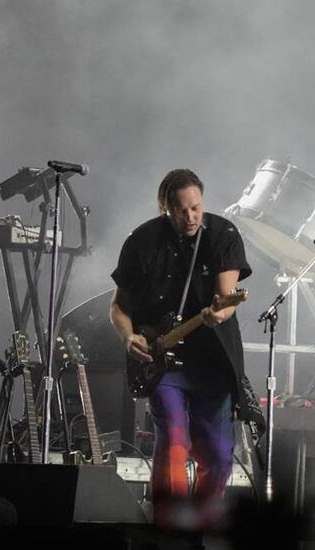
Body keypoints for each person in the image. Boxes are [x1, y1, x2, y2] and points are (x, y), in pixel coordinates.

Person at [110, 168, 252, 529]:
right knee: (173, 442)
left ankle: (201, 529)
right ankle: (169, 528)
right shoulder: (141, 242)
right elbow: (119, 305)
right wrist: (129, 337)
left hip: (212, 362)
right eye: (182, 210)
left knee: (219, 455)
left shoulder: (223, 235)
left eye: (196, 208)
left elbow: (227, 299)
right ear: (165, 208)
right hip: (165, 363)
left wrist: (219, 312)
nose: (191, 217)